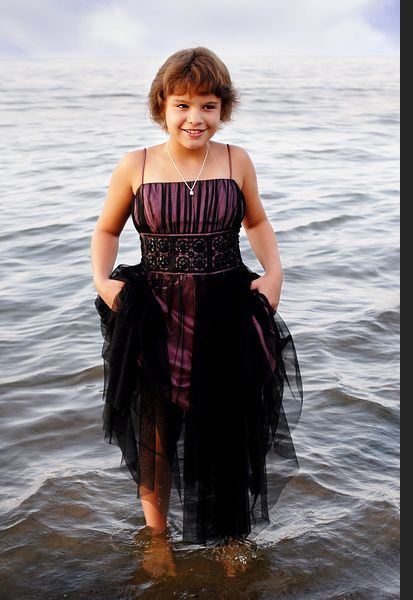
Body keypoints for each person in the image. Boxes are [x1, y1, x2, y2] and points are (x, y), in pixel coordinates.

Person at [90, 47, 303, 549]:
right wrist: (103, 280)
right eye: (182, 105)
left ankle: (232, 540)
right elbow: (105, 230)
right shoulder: (135, 165)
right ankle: (158, 540)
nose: (195, 118)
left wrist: (274, 273)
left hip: (225, 313)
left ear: (222, 109)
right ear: (161, 105)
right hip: (155, 315)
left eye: (208, 105)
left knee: (230, 429)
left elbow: (257, 222)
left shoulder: (236, 160)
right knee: (157, 431)